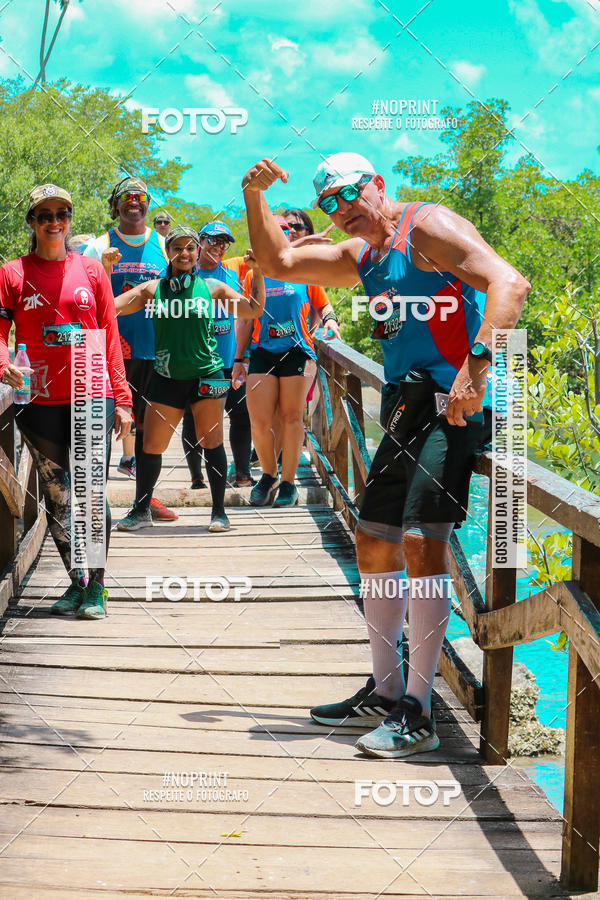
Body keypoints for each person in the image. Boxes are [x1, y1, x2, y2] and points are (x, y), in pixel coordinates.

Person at [242, 153, 530, 757]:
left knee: (425, 540)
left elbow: (510, 283)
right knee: (373, 537)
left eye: (350, 194)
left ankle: (418, 710)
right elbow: (278, 262)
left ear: (377, 185)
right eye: (329, 203)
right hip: (405, 401)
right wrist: (255, 197)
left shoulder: (424, 227)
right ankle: (386, 686)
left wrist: (477, 370)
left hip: (457, 401)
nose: (342, 210)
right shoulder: (361, 256)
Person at [0, 184, 133, 619]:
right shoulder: (11, 273)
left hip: (91, 391)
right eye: (44, 215)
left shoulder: (93, 271)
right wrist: (4, 364)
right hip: (34, 397)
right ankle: (75, 583)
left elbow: (111, 337)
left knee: (91, 493)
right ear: (32, 223)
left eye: (62, 214)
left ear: (70, 219)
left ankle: (97, 587)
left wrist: (123, 398)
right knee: (57, 495)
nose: (55, 222)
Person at [114, 225, 265, 533]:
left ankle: (219, 512)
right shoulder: (152, 289)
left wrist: (258, 272)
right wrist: (104, 271)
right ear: (168, 252)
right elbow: (108, 308)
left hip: (206, 376)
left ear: (197, 252)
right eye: (177, 248)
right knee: (151, 447)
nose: (184, 253)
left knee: (212, 443)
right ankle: (141, 509)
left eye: (190, 248)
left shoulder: (212, 288)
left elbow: (254, 308)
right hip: (167, 377)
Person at [84, 177, 177, 521]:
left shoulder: (166, 245)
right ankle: (95, 507)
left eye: (140, 197)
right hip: (108, 352)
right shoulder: (97, 246)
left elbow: (178, 295)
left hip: (155, 350)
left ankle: (143, 503)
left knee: (148, 431)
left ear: (148, 204)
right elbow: (83, 301)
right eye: (127, 197)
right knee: (101, 430)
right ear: (116, 203)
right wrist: (104, 270)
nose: (134, 202)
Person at [232, 215, 340, 508]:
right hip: (262, 351)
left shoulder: (302, 270)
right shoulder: (253, 275)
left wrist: (330, 320)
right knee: (260, 421)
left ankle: (289, 483)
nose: (279, 238)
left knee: (292, 417)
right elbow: (245, 319)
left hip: (298, 350)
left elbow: (323, 303)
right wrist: (239, 358)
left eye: (283, 233)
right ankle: (269, 474)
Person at [194, 221, 254, 487]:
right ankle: (197, 478)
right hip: (197, 363)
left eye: (223, 242)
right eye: (213, 240)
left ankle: (242, 474)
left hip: (229, 361)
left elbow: (273, 255)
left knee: (240, 414)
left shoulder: (231, 271)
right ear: (200, 241)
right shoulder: (186, 272)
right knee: (193, 420)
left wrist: (244, 356)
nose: (218, 247)